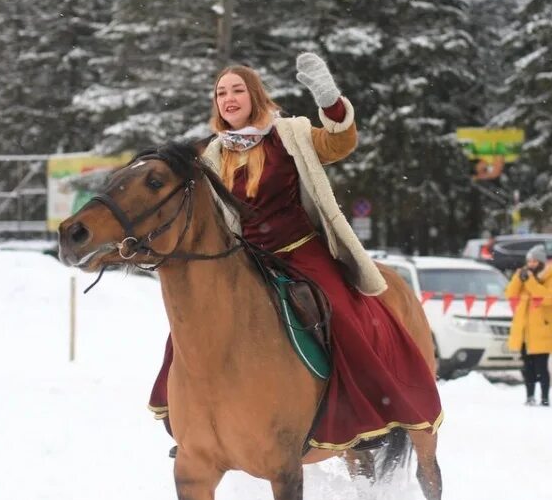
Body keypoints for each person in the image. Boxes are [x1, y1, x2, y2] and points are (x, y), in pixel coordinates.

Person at [149, 54, 442, 452]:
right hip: (244, 259)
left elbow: (340, 142)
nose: (228, 98)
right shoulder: (212, 155)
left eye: (237, 90)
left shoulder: (290, 133)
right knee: (194, 324)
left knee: (339, 312)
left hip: (300, 250)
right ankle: (192, 422)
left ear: (254, 96)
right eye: (221, 93)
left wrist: (329, 99)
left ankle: (363, 414)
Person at [505, 245, 552, 406]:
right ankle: (529, 396)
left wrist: (529, 281)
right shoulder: (524, 276)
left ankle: (545, 398)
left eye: (535, 261)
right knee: (527, 367)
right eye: (529, 261)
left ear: (542, 262)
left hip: (542, 330)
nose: (531, 264)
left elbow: (545, 297)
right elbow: (510, 293)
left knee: (542, 367)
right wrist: (518, 277)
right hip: (525, 331)